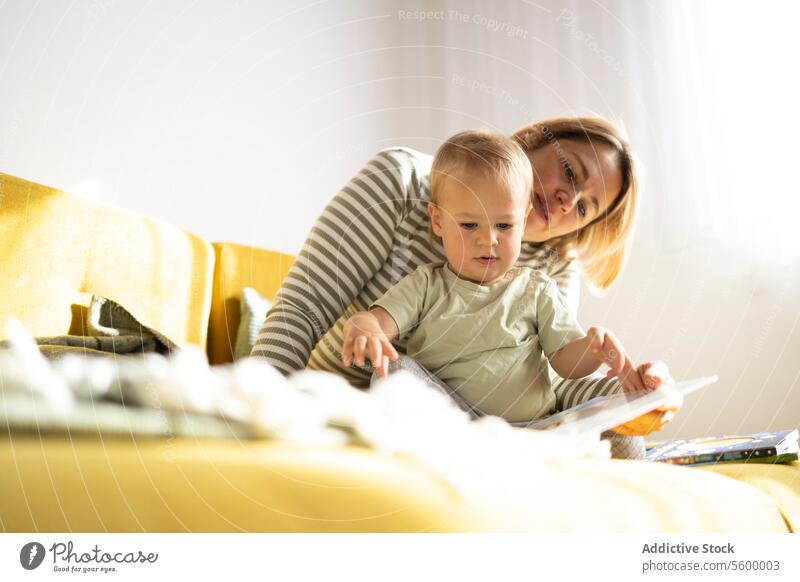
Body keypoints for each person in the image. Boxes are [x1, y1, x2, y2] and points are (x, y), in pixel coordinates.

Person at [251, 116, 678, 458]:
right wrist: (258, 409)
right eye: (569, 170)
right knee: (401, 374)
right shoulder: (400, 184)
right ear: (531, 140)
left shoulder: (551, 269)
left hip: (495, 427)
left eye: (585, 206)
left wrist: (628, 391)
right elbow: (304, 305)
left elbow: (554, 386)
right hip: (368, 398)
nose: (568, 199)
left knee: (618, 419)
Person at [341, 130, 653, 427]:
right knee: (395, 371)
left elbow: (564, 366)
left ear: (522, 219)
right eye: (469, 226)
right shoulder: (427, 284)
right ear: (437, 221)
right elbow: (378, 322)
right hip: (453, 421)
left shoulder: (537, 288)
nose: (488, 240)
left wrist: (593, 348)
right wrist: (364, 326)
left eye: (504, 227)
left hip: (533, 427)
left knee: (622, 420)